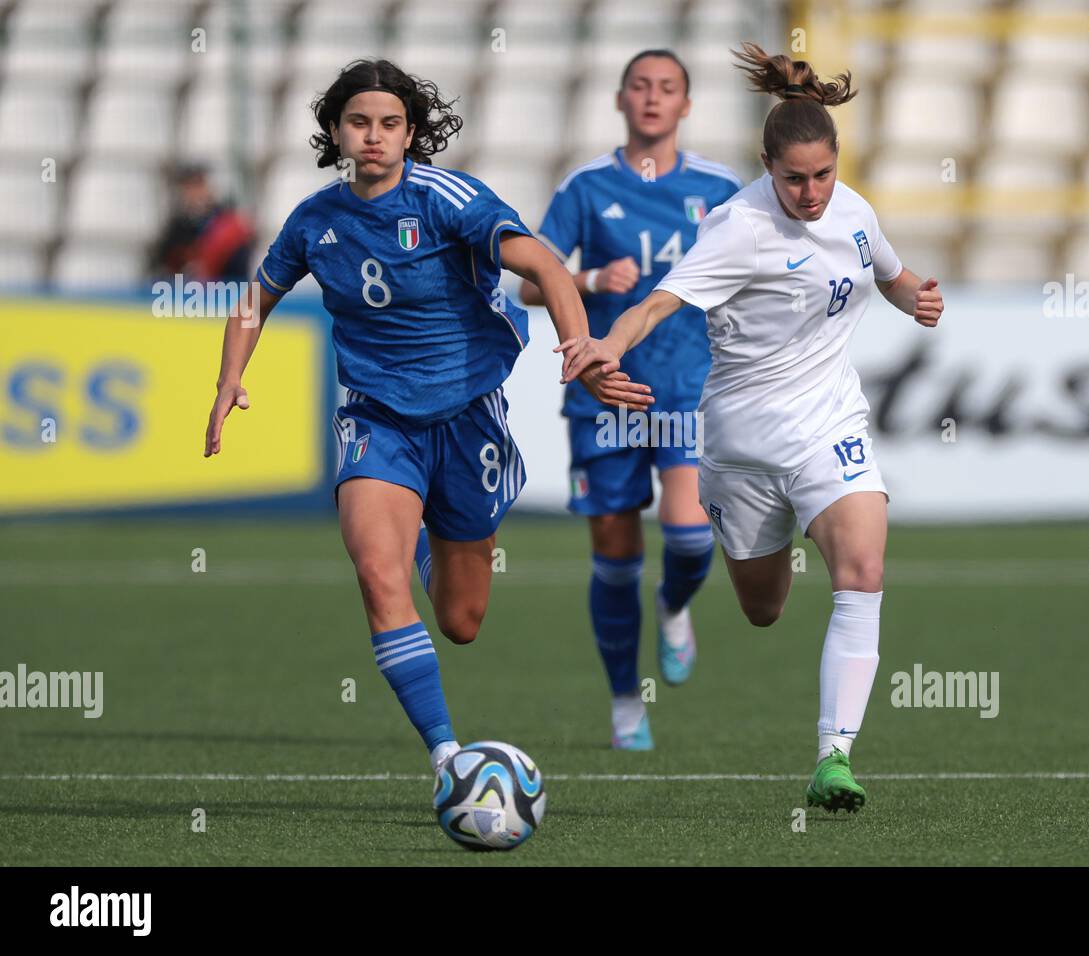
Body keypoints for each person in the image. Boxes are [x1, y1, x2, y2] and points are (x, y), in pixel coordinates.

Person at [204, 59, 644, 794]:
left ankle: (431, 541)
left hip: (469, 419)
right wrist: (228, 379)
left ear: (411, 133)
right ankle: (449, 761)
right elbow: (258, 296)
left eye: (389, 124)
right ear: (336, 131)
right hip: (376, 419)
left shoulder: (448, 198)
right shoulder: (316, 219)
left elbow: (543, 263)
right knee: (379, 575)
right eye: (358, 123)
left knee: (462, 621)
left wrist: (581, 348)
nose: (373, 137)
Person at [557, 42, 945, 812]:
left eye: (823, 176)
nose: (811, 193)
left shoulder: (856, 212)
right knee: (762, 608)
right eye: (795, 179)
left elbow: (891, 275)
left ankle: (834, 757)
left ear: (838, 163)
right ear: (768, 168)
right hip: (740, 442)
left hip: (831, 425)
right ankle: (683, 603)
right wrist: (605, 344)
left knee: (863, 573)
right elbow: (658, 304)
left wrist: (917, 301)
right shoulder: (738, 226)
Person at [514, 49, 742, 751]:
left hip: (685, 387)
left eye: (667, 88)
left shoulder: (720, 187)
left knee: (689, 532)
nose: (652, 98)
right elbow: (527, 283)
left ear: (685, 105)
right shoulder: (585, 187)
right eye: (640, 86)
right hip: (602, 395)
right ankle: (624, 705)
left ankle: (675, 606)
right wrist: (584, 279)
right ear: (620, 99)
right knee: (615, 555)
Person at [148, 163, 255, 284]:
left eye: (198, 185)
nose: (193, 193)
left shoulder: (227, 224)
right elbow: (161, 265)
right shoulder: (177, 227)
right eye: (188, 187)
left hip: (223, 293)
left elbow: (239, 270)